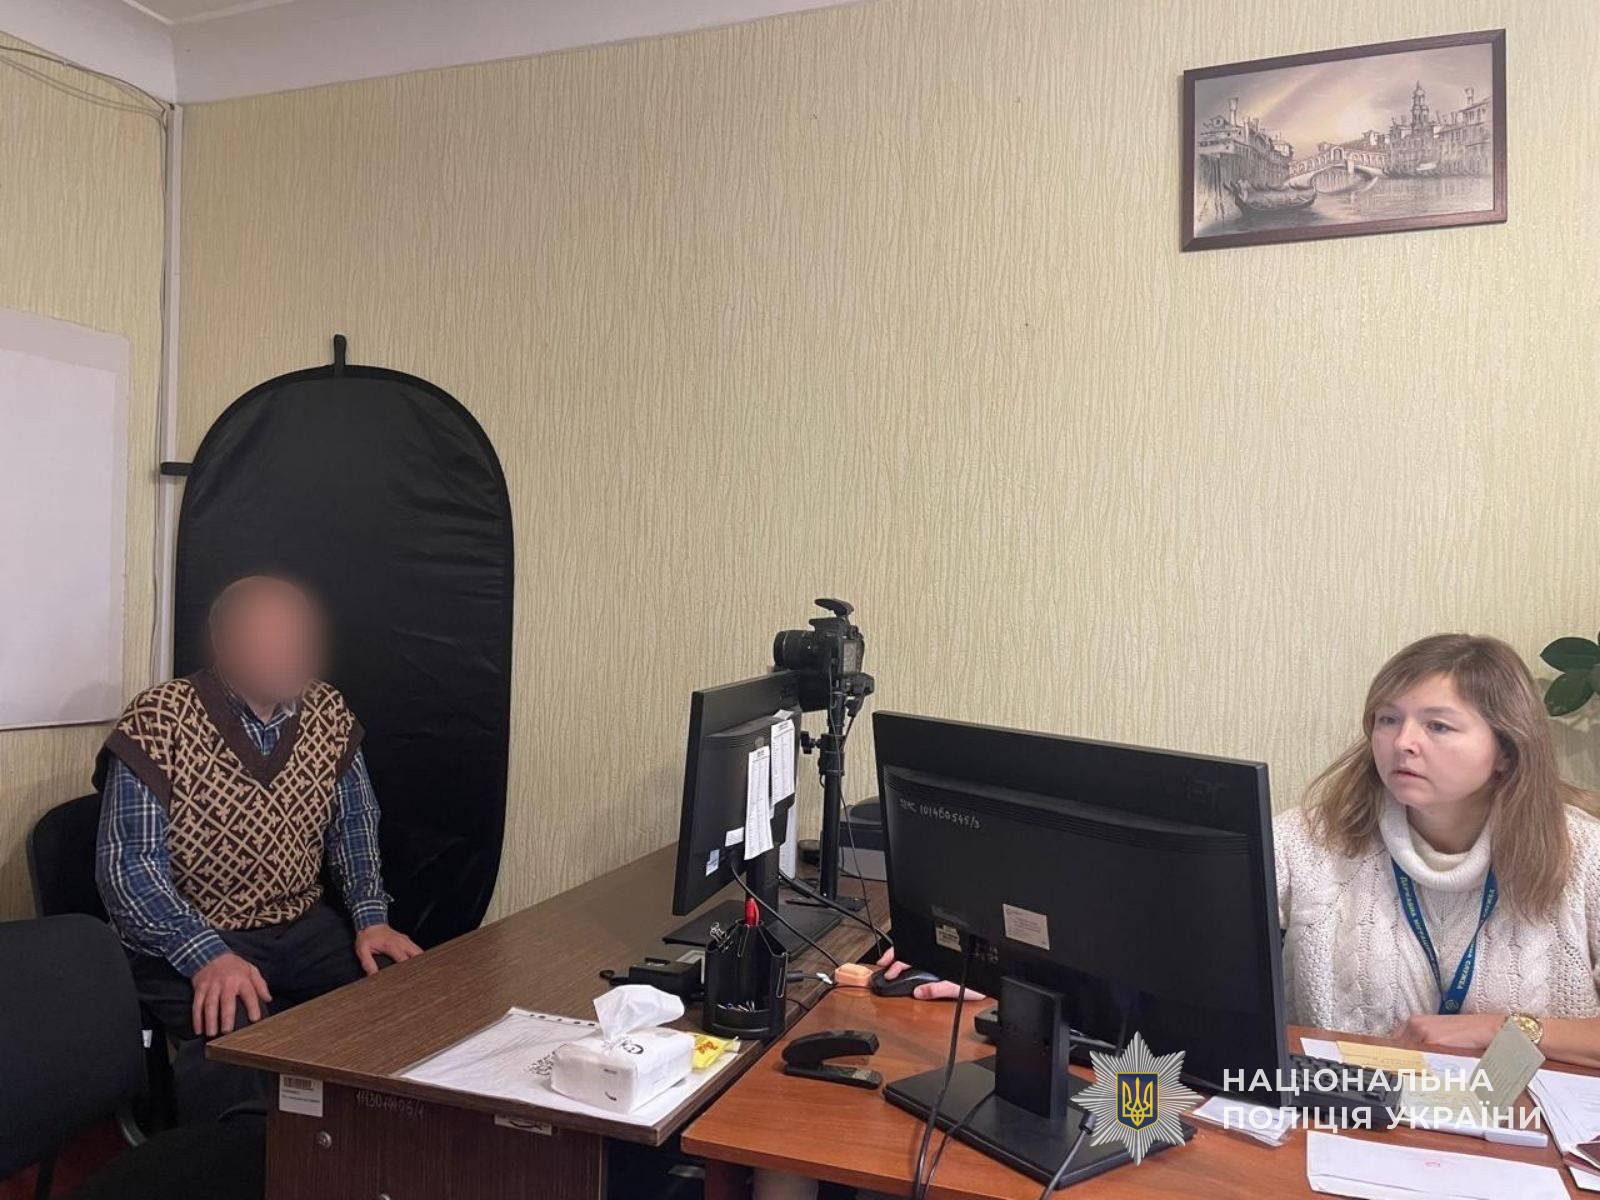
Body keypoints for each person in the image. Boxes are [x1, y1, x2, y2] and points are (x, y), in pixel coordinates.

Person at [94, 574, 423, 1114]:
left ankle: (358, 1145)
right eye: (272, 637)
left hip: (300, 925)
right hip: (193, 929)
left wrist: (371, 918)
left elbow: (355, 825)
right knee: (238, 1027)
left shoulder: (329, 711)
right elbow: (129, 868)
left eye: (299, 636)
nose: (292, 651)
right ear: (223, 644)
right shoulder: (159, 718)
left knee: (390, 994)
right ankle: (233, 1152)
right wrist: (206, 954)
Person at [1277, 633, 1600, 1066]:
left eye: (1438, 726)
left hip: (1518, 1105)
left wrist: (1501, 1030)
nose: (1402, 742)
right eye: (1388, 719)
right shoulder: (1307, 838)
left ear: (1506, 750)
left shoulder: (1586, 853)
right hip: (1343, 1096)